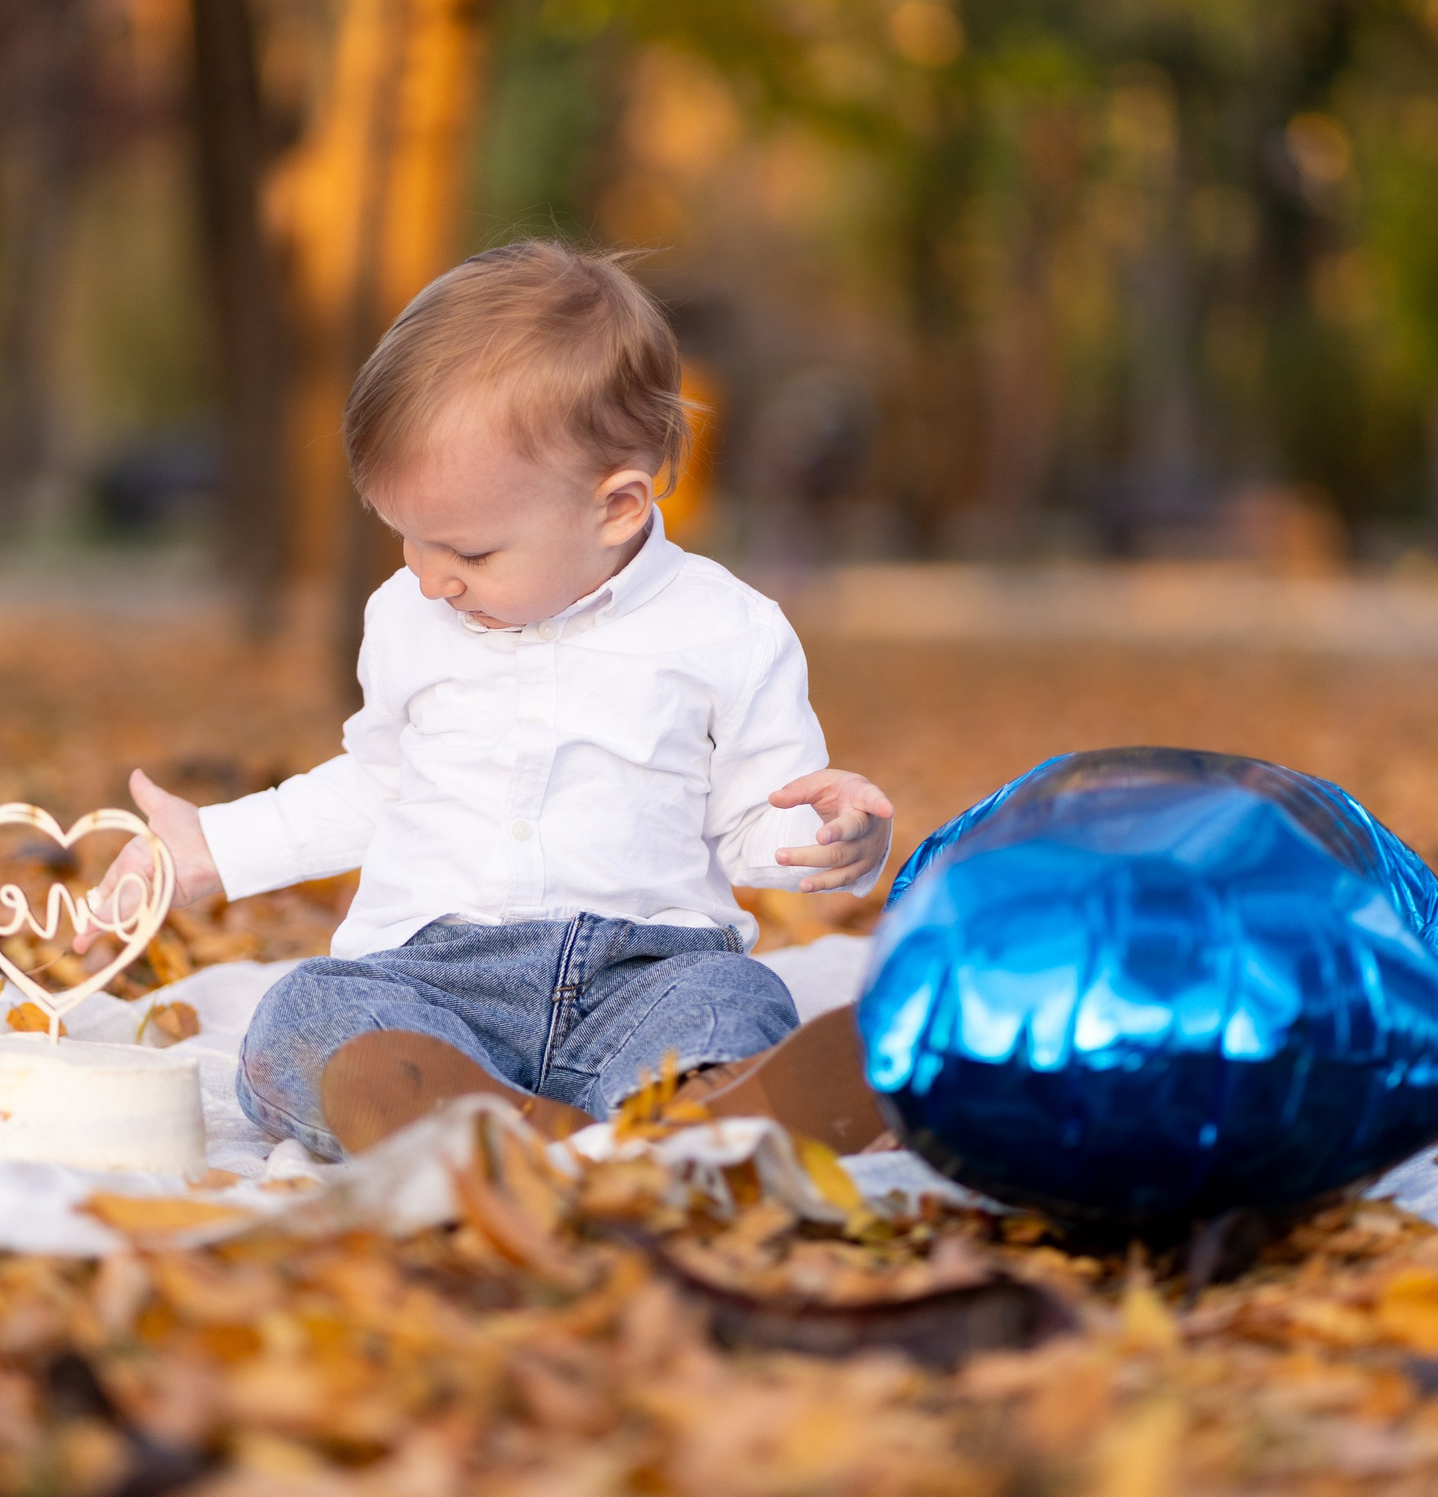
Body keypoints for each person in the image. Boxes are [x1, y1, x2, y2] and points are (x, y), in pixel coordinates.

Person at [87, 241, 895, 1158]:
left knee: (736, 1004)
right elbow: (380, 783)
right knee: (303, 1014)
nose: (431, 580)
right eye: (406, 541)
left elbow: (758, 816)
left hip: (643, 972)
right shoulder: (406, 616)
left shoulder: (729, 629)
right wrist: (216, 847)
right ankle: (498, 1120)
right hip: (435, 981)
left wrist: (831, 836)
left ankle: (692, 1107)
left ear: (617, 508)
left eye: (467, 553)